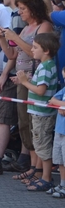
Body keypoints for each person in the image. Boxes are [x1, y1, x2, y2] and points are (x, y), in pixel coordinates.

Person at [2, 0, 53, 178]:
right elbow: (12, 55)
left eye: (23, 8)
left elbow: (36, 53)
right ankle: (32, 166)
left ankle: (38, 170)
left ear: (33, 8)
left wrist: (15, 38)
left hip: (35, 80)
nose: (20, 12)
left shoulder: (44, 26)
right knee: (24, 122)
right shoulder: (25, 28)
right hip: (22, 80)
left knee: (35, 124)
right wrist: (2, 38)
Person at [14, 33, 59, 191]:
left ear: (46, 50)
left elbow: (40, 90)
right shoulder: (45, 65)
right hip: (39, 112)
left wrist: (25, 82)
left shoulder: (46, 67)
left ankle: (46, 178)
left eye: (35, 47)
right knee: (40, 144)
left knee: (43, 145)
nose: (32, 50)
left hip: (42, 113)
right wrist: (26, 81)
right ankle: (40, 174)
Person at [45, 67, 65, 197]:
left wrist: (60, 105)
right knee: (60, 160)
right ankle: (62, 184)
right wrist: (61, 105)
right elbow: (52, 100)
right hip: (59, 130)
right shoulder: (63, 90)